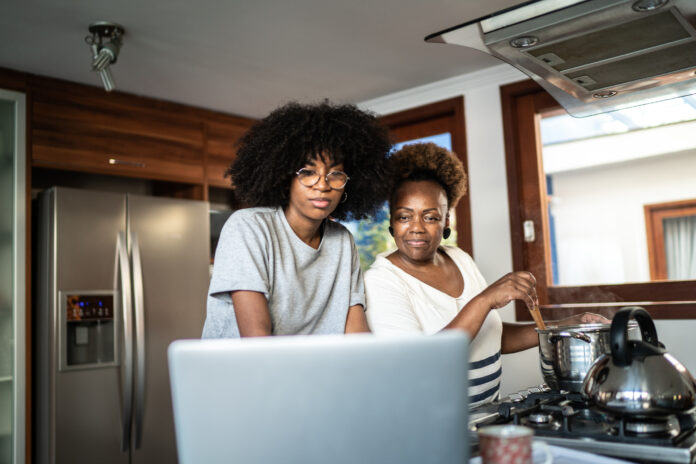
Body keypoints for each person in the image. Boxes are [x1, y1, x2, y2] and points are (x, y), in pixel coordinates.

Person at [364, 142, 606, 407]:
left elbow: (491, 336)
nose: (417, 228)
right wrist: (485, 299)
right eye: (404, 217)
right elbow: (423, 361)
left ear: (446, 221)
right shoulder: (381, 281)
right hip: (428, 426)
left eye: (430, 217)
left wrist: (569, 326)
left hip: (486, 417)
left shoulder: (459, 259)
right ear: (392, 222)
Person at [203, 101, 391, 338]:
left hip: (315, 372)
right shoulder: (249, 228)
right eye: (308, 173)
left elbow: (357, 334)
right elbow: (257, 338)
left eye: (335, 174)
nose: (322, 185)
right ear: (284, 177)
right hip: (244, 372)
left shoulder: (342, 241)